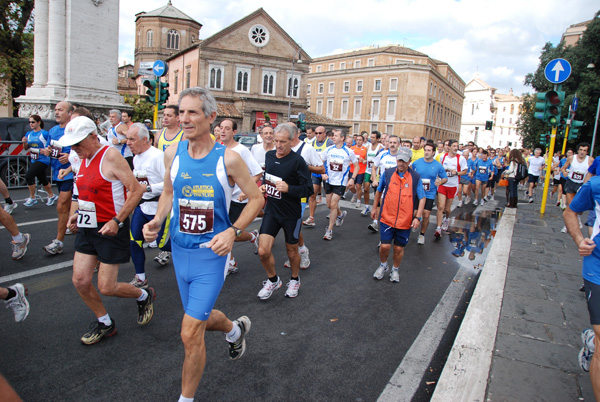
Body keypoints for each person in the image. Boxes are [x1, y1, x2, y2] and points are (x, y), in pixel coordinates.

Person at [142, 87, 261, 402]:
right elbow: (168, 192)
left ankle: (186, 399)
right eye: (181, 112)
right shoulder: (173, 153)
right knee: (202, 318)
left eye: (192, 112)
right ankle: (234, 331)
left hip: (212, 255)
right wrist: (157, 219)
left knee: (189, 332)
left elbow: (256, 199)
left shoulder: (229, 159)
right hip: (181, 252)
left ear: (211, 117)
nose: (184, 119)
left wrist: (233, 231)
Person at [59, 116, 152, 345]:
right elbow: (87, 193)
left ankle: (144, 294)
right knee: (80, 280)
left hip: (111, 227)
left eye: (78, 143)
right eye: (72, 144)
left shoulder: (110, 155)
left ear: (93, 137)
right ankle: (105, 322)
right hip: (88, 226)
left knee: (107, 287)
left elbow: (136, 190)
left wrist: (117, 221)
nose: (74, 149)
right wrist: (77, 213)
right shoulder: (82, 158)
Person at [256, 123, 313, 299]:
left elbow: (308, 189)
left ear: (291, 142)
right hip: (272, 210)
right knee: (263, 251)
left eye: (282, 142)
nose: (278, 145)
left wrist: (289, 189)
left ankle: (295, 279)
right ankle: (273, 281)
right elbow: (269, 179)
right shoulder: (270, 155)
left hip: (291, 214)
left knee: (292, 251)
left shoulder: (298, 161)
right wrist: (264, 187)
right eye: (276, 141)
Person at [563, 175, 600, 399]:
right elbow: (570, 212)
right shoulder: (595, 184)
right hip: (597, 267)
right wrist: (579, 240)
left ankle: (591, 343)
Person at [371, 147, 425, 282]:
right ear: (396, 159)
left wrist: (417, 217)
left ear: (410, 162)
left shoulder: (415, 177)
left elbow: (422, 198)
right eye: (399, 160)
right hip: (387, 217)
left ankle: (395, 269)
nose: (401, 164)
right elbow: (379, 191)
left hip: (404, 220)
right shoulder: (388, 173)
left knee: (398, 248)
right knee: (384, 246)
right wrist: (374, 208)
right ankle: (383, 265)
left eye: (404, 161)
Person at [126, 123, 168, 288]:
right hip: (142, 206)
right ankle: (141, 277)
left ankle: (197, 259)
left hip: (159, 206)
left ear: (145, 140)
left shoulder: (158, 156)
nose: (128, 142)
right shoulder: (136, 158)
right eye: (127, 139)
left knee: (164, 244)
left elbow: (170, 183)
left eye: (132, 139)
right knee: (134, 241)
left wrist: (149, 188)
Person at [219, 119, 262, 274]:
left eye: (227, 128)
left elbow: (257, 172)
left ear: (234, 132)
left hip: (238, 198)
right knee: (223, 230)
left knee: (234, 234)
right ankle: (230, 261)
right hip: (222, 198)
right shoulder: (218, 149)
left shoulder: (242, 150)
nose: (223, 131)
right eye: (221, 128)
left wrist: (246, 190)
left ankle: (251, 236)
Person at [40, 101, 75, 255]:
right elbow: (49, 147)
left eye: (61, 110)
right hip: (58, 173)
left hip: (72, 173)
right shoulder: (53, 130)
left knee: (61, 205)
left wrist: (70, 156)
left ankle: (58, 242)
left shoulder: (73, 129)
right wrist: (47, 151)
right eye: (56, 110)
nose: (57, 112)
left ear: (69, 113)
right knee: (68, 208)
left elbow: (82, 148)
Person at [321, 129, 358, 240]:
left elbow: (357, 166)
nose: (333, 137)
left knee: (333, 205)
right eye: (333, 135)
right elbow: (319, 163)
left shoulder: (348, 151)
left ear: (342, 138)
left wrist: (352, 179)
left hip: (341, 183)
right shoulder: (328, 150)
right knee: (329, 205)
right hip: (328, 181)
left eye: (336, 136)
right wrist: (323, 173)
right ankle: (340, 214)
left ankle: (329, 230)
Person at [411, 143, 447, 244]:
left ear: (433, 152)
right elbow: (409, 173)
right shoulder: (417, 163)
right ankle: (416, 220)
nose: (426, 152)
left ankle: (422, 235)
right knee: (414, 213)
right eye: (425, 150)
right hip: (417, 193)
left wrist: (439, 182)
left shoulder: (437, 165)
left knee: (426, 215)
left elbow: (445, 178)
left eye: (429, 150)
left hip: (429, 193)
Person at [22, 114, 57, 207]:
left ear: (39, 122)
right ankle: (51, 195)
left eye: (33, 122)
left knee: (29, 175)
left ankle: (32, 198)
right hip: (34, 159)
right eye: (29, 122)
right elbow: (26, 148)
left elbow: (48, 146)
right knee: (43, 179)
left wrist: (44, 150)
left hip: (43, 160)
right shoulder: (28, 134)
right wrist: (24, 142)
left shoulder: (44, 133)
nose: (31, 124)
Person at [435, 139, 467, 238]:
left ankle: (447, 219)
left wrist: (456, 173)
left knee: (447, 209)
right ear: (448, 147)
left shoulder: (460, 158)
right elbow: (440, 168)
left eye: (457, 146)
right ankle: (438, 228)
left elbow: (465, 171)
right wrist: (438, 178)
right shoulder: (443, 156)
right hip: (443, 185)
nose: (456, 148)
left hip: (453, 186)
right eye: (454, 146)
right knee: (440, 207)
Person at [370, 135, 401, 232]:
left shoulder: (401, 156)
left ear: (398, 144)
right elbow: (374, 168)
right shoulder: (382, 154)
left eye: (394, 143)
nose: (392, 145)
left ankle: (394, 228)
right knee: (384, 209)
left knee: (393, 211)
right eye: (390, 142)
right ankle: (382, 229)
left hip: (397, 189)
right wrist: (375, 179)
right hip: (384, 187)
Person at [303, 126, 333, 227]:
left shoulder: (329, 143)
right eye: (316, 133)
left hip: (327, 173)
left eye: (320, 133)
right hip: (316, 173)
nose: (318, 135)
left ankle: (338, 213)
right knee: (312, 195)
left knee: (330, 202)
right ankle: (311, 218)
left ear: (325, 133)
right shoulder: (312, 143)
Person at [361, 130, 384, 217]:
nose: (371, 139)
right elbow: (366, 158)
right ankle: (366, 206)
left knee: (376, 193)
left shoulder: (380, 148)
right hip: (368, 170)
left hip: (376, 172)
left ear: (378, 139)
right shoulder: (367, 147)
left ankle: (377, 208)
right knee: (366, 189)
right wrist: (364, 160)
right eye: (371, 137)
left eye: (373, 137)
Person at [349, 133, 367, 209]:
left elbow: (366, 160)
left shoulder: (365, 149)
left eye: (360, 140)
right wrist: (349, 162)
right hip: (352, 169)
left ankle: (359, 201)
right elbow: (348, 158)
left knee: (358, 186)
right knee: (351, 186)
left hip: (361, 170)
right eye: (357, 140)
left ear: (363, 141)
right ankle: (355, 194)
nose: (358, 141)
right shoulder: (352, 148)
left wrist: (363, 161)